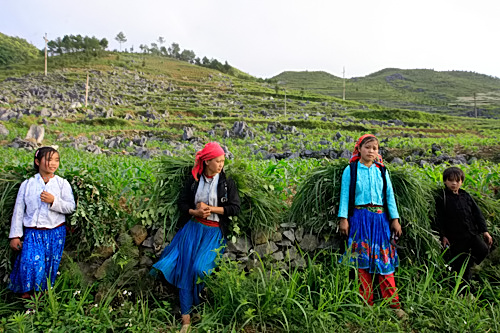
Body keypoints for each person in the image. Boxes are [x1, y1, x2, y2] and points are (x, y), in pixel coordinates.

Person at [151, 142, 240, 333]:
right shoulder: (194, 181)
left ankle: (198, 304)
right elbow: (182, 204)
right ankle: (186, 319)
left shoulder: (226, 184)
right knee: (184, 269)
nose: (221, 165)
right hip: (193, 229)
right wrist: (194, 212)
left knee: (200, 269)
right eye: (217, 161)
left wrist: (213, 209)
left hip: (213, 232)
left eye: (223, 161)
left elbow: (235, 208)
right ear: (207, 161)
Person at [338, 134, 404, 313]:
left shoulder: (381, 170)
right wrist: (343, 219)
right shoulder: (350, 170)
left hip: (380, 220)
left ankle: (393, 304)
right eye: (367, 147)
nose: (371, 151)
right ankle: (366, 304)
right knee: (362, 262)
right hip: (359, 219)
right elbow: (344, 196)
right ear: (359, 149)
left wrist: (395, 220)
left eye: (375, 148)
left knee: (384, 261)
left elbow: (389, 196)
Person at [8, 147, 76, 298]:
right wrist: (15, 236)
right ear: (37, 162)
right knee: (30, 263)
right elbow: (18, 211)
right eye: (48, 159)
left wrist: (54, 201)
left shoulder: (62, 184)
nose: (52, 163)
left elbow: (71, 207)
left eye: (56, 160)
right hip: (33, 233)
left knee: (48, 268)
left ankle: (40, 301)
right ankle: (28, 299)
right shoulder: (27, 184)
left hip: (55, 233)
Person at [435, 167, 492, 284]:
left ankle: (471, 264)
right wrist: (443, 236)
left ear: (461, 182)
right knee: (461, 265)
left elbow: (477, 214)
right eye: (450, 180)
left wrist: (484, 231)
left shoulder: (466, 196)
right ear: (445, 181)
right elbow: (439, 218)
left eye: (457, 181)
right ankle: (465, 289)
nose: (454, 183)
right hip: (456, 238)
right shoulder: (443, 198)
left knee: (483, 250)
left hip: (471, 233)